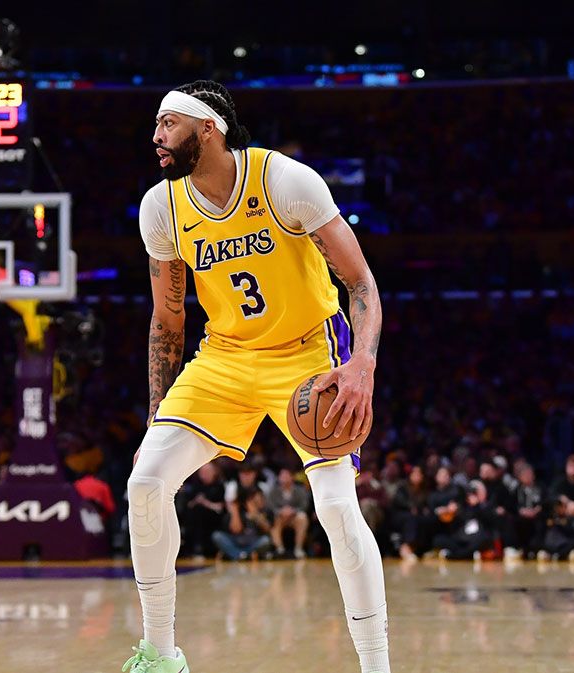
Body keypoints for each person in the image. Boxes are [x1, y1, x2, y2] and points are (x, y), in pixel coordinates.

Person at [126, 80, 389, 673]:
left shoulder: (285, 181)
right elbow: (168, 317)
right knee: (145, 484)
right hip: (224, 358)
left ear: (208, 129)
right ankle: (161, 656)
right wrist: (156, 411)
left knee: (336, 510)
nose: (156, 136)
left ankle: (377, 667)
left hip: (309, 356)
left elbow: (363, 284)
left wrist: (362, 365)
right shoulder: (160, 207)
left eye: (168, 124)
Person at [212, 489, 273, 560]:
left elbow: (267, 529)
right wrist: (235, 511)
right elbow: (236, 530)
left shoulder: (264, 511)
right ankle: (242, 555)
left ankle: (236, 555)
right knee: (217, 536)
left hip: (253, 543)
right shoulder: (237, 511)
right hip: (236, 543)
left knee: (265, 541)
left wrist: (255, 513)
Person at [268, 468, 311, 558]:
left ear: (292, 477)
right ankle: (280, 549)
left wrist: (292, 511)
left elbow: (305, 505)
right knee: (273, 519)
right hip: (280, 517)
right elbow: (270, 506)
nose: (284, 478)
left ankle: (298, 548)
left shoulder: (300, 490)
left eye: (286, 476)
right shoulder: (274, 491)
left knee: (302, 517)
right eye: (282, 476)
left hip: (294, 517)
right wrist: (281, 511)